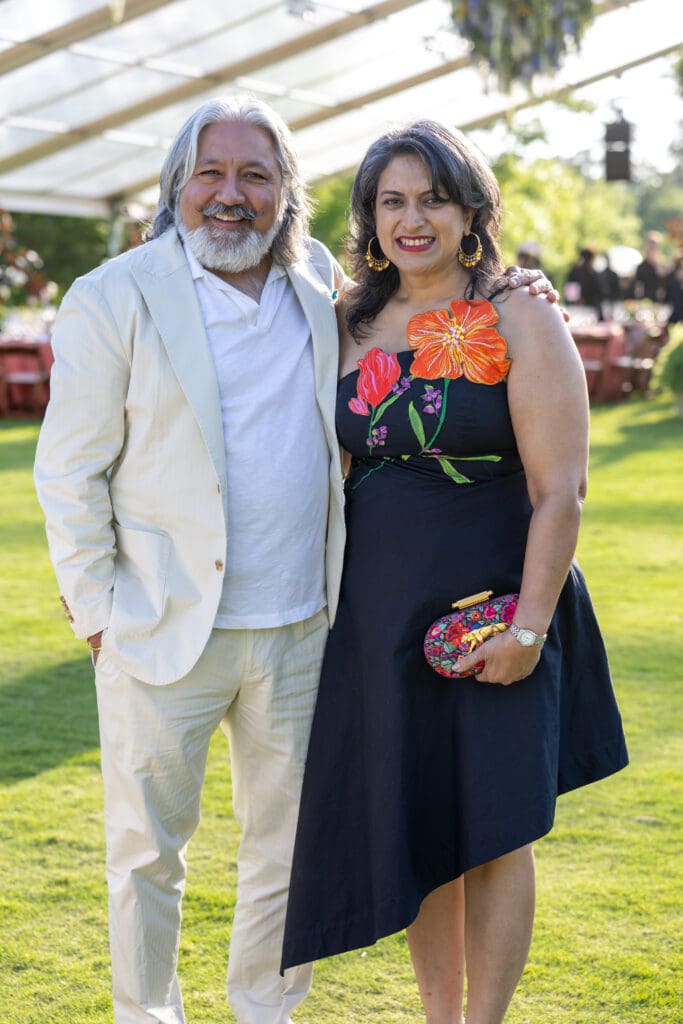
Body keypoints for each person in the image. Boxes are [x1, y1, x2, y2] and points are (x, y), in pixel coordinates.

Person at [33, 96, 557, 1024]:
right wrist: (97, 611)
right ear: (177, 187)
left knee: (284, 853)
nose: (231, 197)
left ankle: (264, 1014)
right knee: (146, 854)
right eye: (211, 174)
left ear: (287, 194)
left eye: (256, 176)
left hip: (306, 625)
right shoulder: (113, 295)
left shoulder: (326, 291)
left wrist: (520, 291)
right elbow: (68, 471)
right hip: (161, 625)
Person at [281, 120, 628, 1024]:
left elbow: (562, 490)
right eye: (391, 200)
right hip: (382, 615)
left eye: (432, 197)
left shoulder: (519, 313)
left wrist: (527, 630)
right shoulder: (342, 318)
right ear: (368, 215)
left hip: (498, 605)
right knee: (420, 827)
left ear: (470, 206)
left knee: (493, 830)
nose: (412, 218)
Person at [566, 246, 606, 320]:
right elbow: (602, 293)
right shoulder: (594, 274)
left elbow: (569, 295)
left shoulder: (574, 272)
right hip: (590, 311)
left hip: (576, 310)